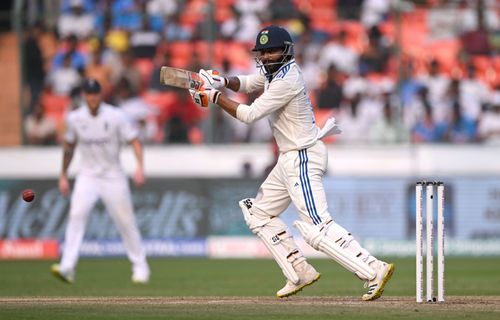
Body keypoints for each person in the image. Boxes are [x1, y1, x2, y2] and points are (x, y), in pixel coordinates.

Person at [188, 25, 394, 300]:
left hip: (302, 156)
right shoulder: (274, 74)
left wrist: (213, 97)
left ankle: (373, 269)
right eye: (262, 53)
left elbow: (249, 115)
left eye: (271, 51)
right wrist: (223, 81)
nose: (265, 57)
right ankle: (298, 271)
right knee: (258, 213)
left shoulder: (287, 79)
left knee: (316, 227)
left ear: (285, 51)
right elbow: (250, 83)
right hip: (288, 158)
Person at [51, 79, 150, 284]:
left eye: (95, 93)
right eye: (88, 93)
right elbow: (69, 148)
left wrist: (140, 167)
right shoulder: (75, 118)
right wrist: (63, 175)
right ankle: (67, 266)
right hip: (87, 175)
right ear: (84, 96)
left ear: (100, 95)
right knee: (76, 215)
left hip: (113, 175)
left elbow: (135, 141)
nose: (92, 97)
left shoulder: (116, 116)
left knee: (126, 221)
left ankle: (140, 267)